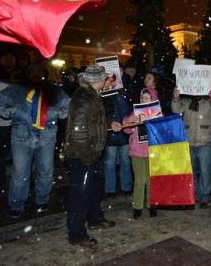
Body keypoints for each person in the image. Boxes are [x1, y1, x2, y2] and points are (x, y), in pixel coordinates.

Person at [0, 61, 70, 218]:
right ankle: (16, 204)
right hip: (21, 135)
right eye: (33, 72)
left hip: (47, 136)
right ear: (28, 74)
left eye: (40, 72)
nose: (37, 75)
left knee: (45, 170)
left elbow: (68, 106)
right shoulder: (16, 89)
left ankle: (42, 200)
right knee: (20, 172)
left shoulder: (54, 91)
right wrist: (12, 111)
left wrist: (58, 113)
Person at [65, 65, 122, 247]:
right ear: (97, 81)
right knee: (80, 195)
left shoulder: (91, 94)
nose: (106, 81)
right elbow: (78, 131)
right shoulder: (83, 97)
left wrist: (110, 123)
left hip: (91, 152)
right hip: (82, 154)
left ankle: (95, 218)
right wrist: (87, 154)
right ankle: (76, 234)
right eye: (105, 79)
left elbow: (94, 121)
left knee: (92, 189)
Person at [172, 88, 211, 207]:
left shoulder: (208, 101)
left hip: (205, 142)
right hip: (189, 141)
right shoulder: (186, 101)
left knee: (205, 171)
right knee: (191, 171)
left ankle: (205, 196)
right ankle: (192, 195)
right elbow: (175, 109)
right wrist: (176, 98)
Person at [124, 88, 160, 219]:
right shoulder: (135, 112)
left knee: (151, 180)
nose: (144, 100)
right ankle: (137, 207)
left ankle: (152, 205)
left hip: (152, 151)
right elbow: (127, 130)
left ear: (153, 100)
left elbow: (162, 130)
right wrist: (129, 121)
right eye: (142, 97)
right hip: (137, 151)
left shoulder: (157, 114)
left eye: (147, 98)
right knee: (140, 180)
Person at [102, 87, 132, 198]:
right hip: (111, 130)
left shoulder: (123, 90)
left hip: (124, 129)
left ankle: (127, 187)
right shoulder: (103, 92)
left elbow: (128, 109)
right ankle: (110, 189)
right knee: (110, 160)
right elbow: (103, 112)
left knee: (125, 159)